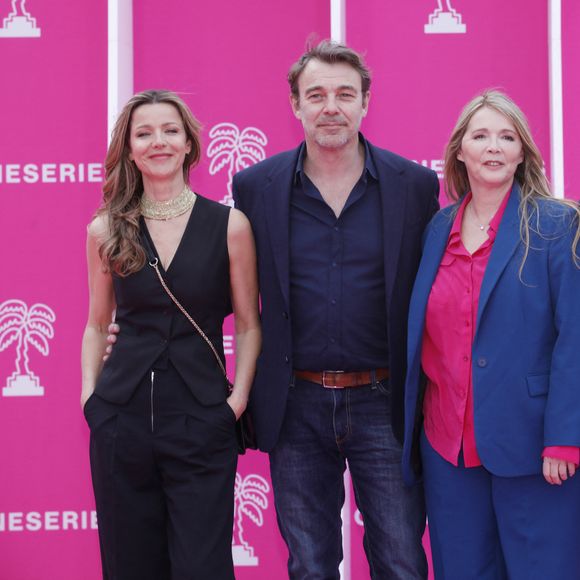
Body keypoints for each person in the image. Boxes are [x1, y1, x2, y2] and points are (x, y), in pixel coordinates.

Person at [232, 41, 439, 579]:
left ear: (365, 103)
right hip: (294, 401)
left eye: (345, 94)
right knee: (310, 563)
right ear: (295, 105)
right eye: (316, 94)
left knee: (400, 559)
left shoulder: (414, 186)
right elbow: (228, 280)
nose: (331, 107)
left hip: (384, 402)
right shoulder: (256, 187)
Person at [81, 89, 260, 580]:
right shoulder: (106, 230)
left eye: (169, 131)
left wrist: (237, 399)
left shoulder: (230, 225)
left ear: (188, 145)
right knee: (130, 564)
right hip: (122, 419)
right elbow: (97, 324)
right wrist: (90, 398)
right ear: (130, 148)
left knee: (202, 566)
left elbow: (248, 323)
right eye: (144, 133)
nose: (157, 141)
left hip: (203, 418)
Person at [402, 90, 580, 579]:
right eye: (481, 136)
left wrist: (565, 437)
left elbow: (575, 337)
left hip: (534, 448)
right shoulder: (437, 228)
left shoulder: (557, 224)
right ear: (460, 150)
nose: (494, 147)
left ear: (523, 151)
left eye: (507, 136)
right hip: (447, 450)